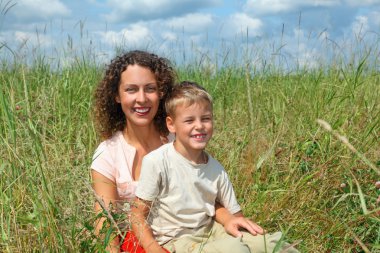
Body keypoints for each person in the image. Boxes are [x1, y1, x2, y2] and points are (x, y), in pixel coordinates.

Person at [91, 51, 260, 253]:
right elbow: (105, 223)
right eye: (131, 90)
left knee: (258, 245)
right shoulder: (108, 153)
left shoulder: (179, 138)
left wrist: (230, 219)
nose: (142, 98)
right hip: (146, 243)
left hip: (198, 233)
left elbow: (203, 198)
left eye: (150, 89)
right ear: (117, 96)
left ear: (161, 93)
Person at [131, 81, 300, 253]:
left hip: (212, 230)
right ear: (171, 124)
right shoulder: (157, 161)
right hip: (178, 239)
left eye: (205, 118)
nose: (199, 126)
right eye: (189, 120)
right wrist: (152, 248)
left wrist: (230, 222)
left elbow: (235, 216)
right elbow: (137, 214)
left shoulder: (216, 169)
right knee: (236, 250)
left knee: (271, 245)